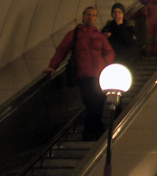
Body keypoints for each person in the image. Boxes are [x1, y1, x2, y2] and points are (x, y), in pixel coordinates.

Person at [44, 7, 115, 140]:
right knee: (90, 103)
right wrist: (52, 66)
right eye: (88, 15)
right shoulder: (74, 34)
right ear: (83, 16)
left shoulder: (99, 36)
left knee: (98, 102)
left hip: (99, 76)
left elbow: (109, 51)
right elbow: (62, 50)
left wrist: (104, 63)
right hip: (84, 76)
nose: (91, 17)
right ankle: (94, 132)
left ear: (95, 18)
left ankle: (92, 132)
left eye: (93, 15)